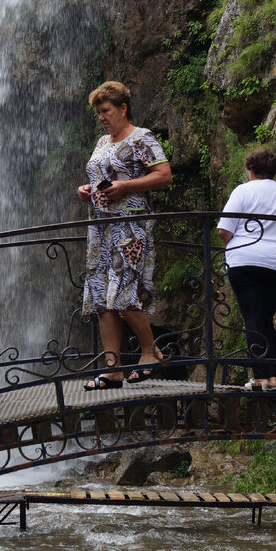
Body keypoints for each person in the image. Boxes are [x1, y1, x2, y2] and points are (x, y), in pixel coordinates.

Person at [78, 81, 172, 389]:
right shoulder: (103, 142)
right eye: (98, 113)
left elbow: (164, 175)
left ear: (122, 108)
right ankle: (112, 368)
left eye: (105, 111)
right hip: (100, 230)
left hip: (130, 227)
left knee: (122, 292)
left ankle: (149, 351)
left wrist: (125, 187)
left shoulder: (141, 138)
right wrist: (88, 190)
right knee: (102, 298)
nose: (101, 117)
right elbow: (100, 177)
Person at [217, 148, 276, 391]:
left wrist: (234, 243)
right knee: (263, 319)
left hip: (245, 260)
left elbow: (223, 230)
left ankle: (261, 378)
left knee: (253, 318)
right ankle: (271, 377)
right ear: (274, 171)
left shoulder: (243, 190)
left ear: (250, 169)